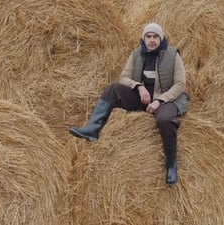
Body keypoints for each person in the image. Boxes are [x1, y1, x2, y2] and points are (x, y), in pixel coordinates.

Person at [69, 23, 189, 184]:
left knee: (165, 120)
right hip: (144, 98)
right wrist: (138, 86)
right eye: (148, 36)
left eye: (155, 37)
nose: (152, 40)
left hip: (168, 99)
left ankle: (171, 165)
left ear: (161, 38)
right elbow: (124, 77)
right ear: (143, 38)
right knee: (113, 89)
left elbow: (180, 84)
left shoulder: (173, 55)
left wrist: (160, 100)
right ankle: (93, 128)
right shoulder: (137, 54)